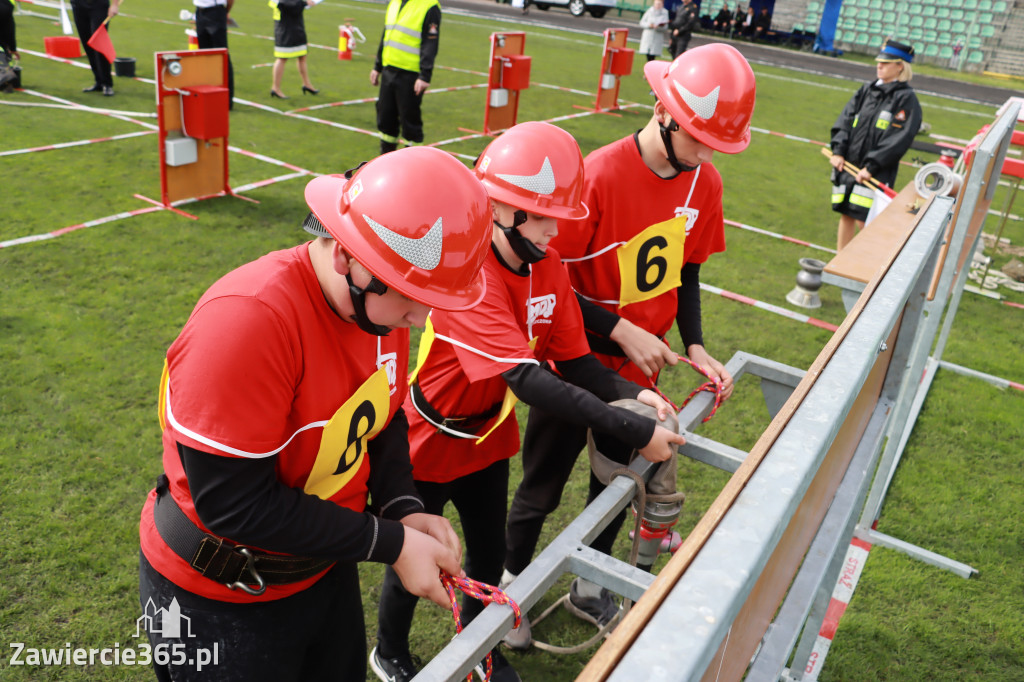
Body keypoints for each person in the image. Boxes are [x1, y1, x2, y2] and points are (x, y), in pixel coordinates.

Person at [137, 146, 494, 681]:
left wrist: (402, 506)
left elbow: (383, 412)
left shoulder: (376, 302)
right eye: (412, 299)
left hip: (318, 568)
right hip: (222, 597)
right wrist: (389, 542)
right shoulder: (246, 323)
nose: (421, 320)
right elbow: (233, 504)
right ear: (347, 258)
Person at [371, 122, 684, 682]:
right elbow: (529, 380)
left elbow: (579, 365)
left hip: (489, 434)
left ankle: (481, 652)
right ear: (496, 208)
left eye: (555, 215)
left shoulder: (549, 266)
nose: (551, 229)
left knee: (488, 558)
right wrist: (635, 431)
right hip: (428, 438)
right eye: (538, 215)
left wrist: (640, 394)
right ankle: (390, 651)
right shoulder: (469, 276)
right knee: (415, 558)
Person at [503, 44, 756, 643]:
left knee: (618, 485)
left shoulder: (705, 181)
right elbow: (549, 279)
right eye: (700, 138)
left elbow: (687, 270)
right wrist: (620, 328)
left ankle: (589, 588)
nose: (708, 154)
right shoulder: (596, 175)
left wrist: (693, 343)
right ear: (665, 113)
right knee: (541, 483)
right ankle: (509, 591)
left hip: (642, 369)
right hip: (572, 363)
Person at [829, 39, 921, 250]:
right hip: (849, 165)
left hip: (875, 172)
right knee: (846, 213)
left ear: (900, 66)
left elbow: (898, 139)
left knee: (868, 222)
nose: (879, 65)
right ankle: (839, 262)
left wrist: (871, 167)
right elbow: (845, 120)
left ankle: (868, 268)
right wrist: (838, 151)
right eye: (879, 61)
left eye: (886, 63)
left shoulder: (906, 99)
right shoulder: (866, 90)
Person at [370, 0, 440, 155]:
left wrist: (424, 76)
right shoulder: (394, 2)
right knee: (385, 118)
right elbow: (386, 35)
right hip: (389, 70)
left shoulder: (429, 6)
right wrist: (377, 66)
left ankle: (413, 164)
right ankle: (385, 160)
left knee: (410, 122)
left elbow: (430, 44)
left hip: (411, 76)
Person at [269, 0, 318, 99]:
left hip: (295, 26)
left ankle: (306, 84)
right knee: (282, 58)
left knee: (302, 56)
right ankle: (275, 88)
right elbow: (290, 6)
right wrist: (305, 3)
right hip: (286, 28)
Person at [71, 0, 121, 96]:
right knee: (87, 43)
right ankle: (99, 81)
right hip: (78, 5)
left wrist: (115, 5)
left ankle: (107, 84)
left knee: (99, 42)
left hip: (98, 5)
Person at [194, 0, 235, 109]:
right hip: (200, 12)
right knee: (204, 56)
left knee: (221, 57)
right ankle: (209, 94)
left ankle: (227, 100)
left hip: (216, 12)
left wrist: (223, 12)